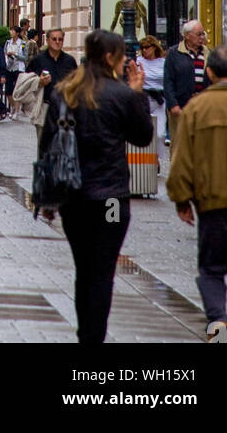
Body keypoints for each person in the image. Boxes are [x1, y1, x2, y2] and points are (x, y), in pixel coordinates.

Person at [40, 28, 151, 345]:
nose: (125, 61)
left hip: (74, 199)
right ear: (109, 58)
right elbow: (142, 137)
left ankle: (84, 334)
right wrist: (137, 92)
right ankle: (94, 338)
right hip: (113, 200)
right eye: (121, 56)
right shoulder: (122, 95)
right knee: (103, 271)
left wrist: (48, 198)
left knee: (84, 269)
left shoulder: (65, 92)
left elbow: (48, 145)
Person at [166, 43, 227, 340]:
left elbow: (181, 159)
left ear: (209, 72)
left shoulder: (197, 108)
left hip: (211, 202)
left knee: (212, 268)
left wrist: (181, 199)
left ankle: (218, 319)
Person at [163, 19, 208, 149]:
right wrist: (173, 104)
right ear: (187, 35)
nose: (201, 37)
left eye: (203, 34)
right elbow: (168, 80)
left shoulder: (207, 53)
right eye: (198, 34)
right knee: (179, 144)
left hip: (202, 106)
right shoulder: (174, 53)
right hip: (181, 106)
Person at [27, 28, 78, 143]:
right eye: (54, 39)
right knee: (44, 147)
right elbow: (27, 81)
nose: (57, 41)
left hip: (65, 109)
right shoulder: (38, 60)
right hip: (45, 107)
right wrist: (39, 82)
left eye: (60, 39)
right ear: (48, 40)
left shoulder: (70, 61)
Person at [138, 35, 166, 169]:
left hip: (159, 99)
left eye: (147, 48)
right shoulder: (139, 62)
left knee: (160, 133)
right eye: (142, 48)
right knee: (146, 131)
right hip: (145, 98)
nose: (144, 51)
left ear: (154, 47)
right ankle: (152, 160)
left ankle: (157, 156)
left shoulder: (163, 62)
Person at [4, 25, 26, 116]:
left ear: (17, 33)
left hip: (18, 68)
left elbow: (25, 57)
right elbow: (4, 53)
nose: (11, 32)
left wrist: (15, 54)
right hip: (9, 68)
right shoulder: (7, 43)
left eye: (13, 31)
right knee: (8, 91)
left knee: (17, 91)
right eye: (10, 30)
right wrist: (8, 55)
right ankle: (13, 106)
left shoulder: (22, 44)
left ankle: (16, 111)